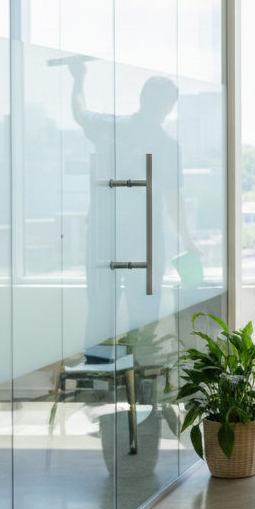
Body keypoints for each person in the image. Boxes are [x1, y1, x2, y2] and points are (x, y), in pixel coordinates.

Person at [69, 58, 201, 352]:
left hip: (105, 237)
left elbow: (79, 112)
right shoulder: (167, 145)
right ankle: (142, 386)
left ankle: (99, 383)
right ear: (168, 105)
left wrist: (79, 78)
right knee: (144, 320)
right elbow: (172, 200)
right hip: (144, 241)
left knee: (100, 313)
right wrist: (189, 242)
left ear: (142, 99)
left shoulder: (109, 127)